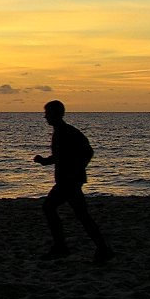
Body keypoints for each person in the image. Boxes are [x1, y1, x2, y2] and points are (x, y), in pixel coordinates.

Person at [33, 100, 114, 264]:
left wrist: (76, 170)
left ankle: (62, 247)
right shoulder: (60, 132)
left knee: (50, 208)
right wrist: (44, 162)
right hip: (68, 181)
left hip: (69, 182)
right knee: (81, 215)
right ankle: (101, 248)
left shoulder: (67, 132)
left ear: (56, 114)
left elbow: (88, 152)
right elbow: (60, 157)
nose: (45, 117)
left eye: (47, 113)